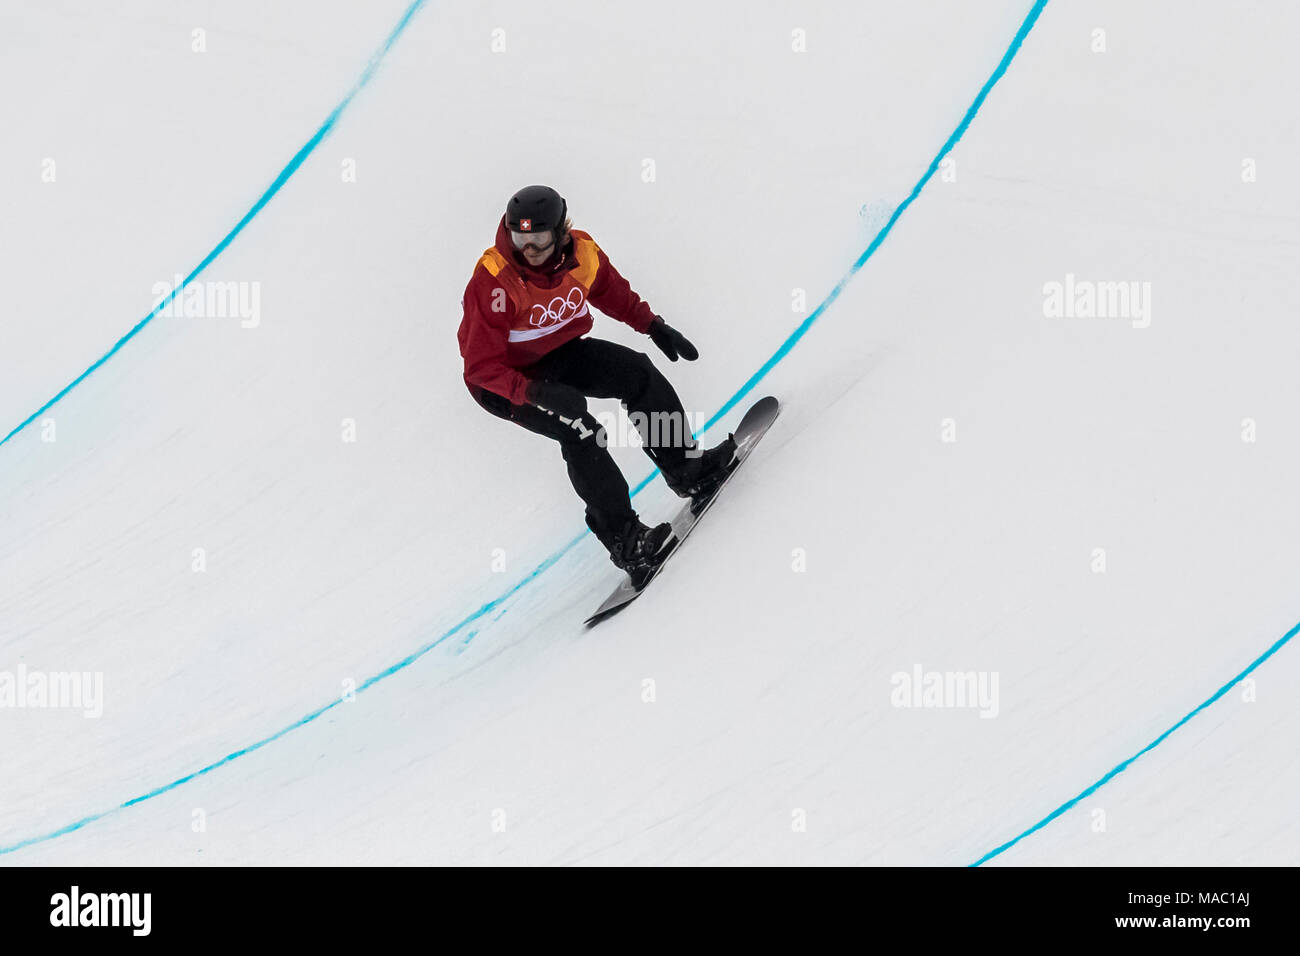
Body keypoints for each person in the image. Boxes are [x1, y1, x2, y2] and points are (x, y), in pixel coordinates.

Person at [457, 184, 736, 575]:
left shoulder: (582, 255)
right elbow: (480, 368)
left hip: (558, 352)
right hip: (505, 382)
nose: (528, 250)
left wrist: (653, 326)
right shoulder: (495, 279)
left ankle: (687, 469)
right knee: (582, 431)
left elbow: (610, 292)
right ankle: (626, 541)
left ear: (560, 231)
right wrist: (535, 392)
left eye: (538, 238)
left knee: (638, 373)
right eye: (520, 238)